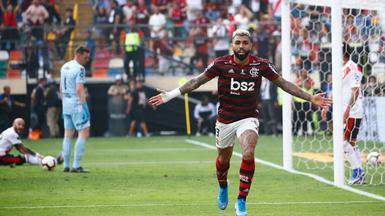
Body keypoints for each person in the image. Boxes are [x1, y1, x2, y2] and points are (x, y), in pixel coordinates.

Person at [149, 29, 332, 216]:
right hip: (225, 120)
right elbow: (196, 82)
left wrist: (310, 97)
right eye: (238, 42)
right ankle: (223, 185)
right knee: (223, 160)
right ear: (232, 45)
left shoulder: (261, 65)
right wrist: (170, 95)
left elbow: (284, 84)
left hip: (248, 118)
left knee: (249, 151)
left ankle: (241, 200)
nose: (241, 46)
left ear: (251, 45)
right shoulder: (221, 64)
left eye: (245, 42)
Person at [321, 48, 365, 184]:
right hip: (342, 110)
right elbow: (337, 90)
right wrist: (326, 105)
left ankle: (357, 171)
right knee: (350, 143)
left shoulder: (353, 67)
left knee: (342, 142)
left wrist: (347, 110)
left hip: (352, 111)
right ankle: (360, 173)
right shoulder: (341, 68)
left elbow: (355, 91)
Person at [60, 45, 91, 173]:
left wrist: (64, 103)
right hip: (77, 104)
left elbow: (61, 88)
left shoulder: (64, 66)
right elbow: (79, 89)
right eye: (85, 57)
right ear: (78, 55)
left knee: (68, 135)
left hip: (66, 104)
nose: (87, 59)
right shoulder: (80, 69)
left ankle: (66, 165)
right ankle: (76, 165)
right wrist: (84, 106)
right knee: (84, 133)